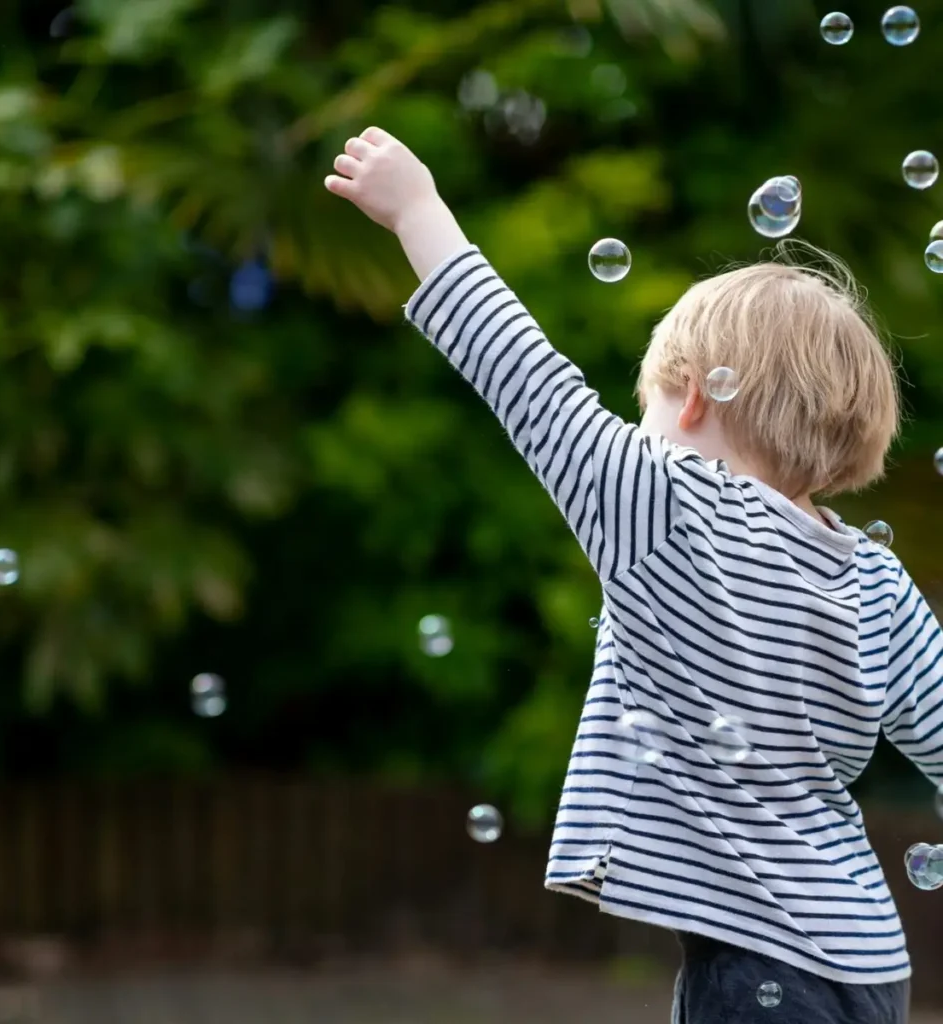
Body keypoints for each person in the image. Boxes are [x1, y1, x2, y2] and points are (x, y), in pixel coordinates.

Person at [324, 126, 943, 1023]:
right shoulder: (876, 579)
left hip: (756, 967)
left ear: (692, 395)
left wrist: (418, 210)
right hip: (870, 961)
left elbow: (526, 380)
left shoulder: (668, 508)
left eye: (643, 407)